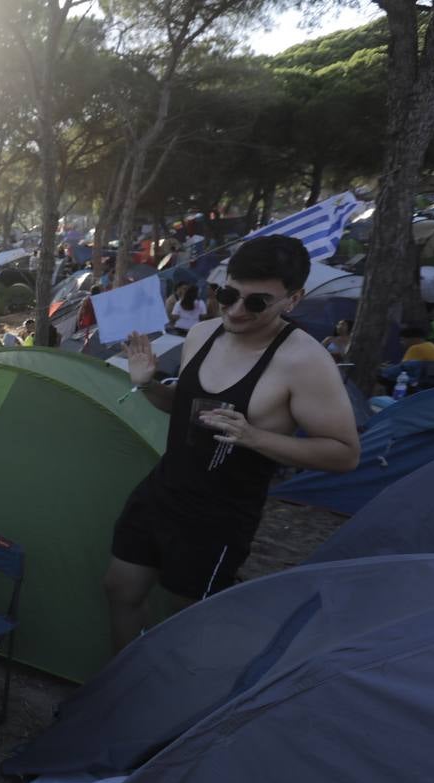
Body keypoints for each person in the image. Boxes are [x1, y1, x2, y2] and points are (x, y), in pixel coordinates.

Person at [106, 235, 360, 653]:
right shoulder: (202, 334)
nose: (237, 311)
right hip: (164, 489)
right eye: (228, 295)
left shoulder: (304, 361)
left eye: (257, 303)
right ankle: (121, 688)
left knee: (187, 623)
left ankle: (171, 708)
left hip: (219, 515)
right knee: (119, 589)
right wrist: (148, 384)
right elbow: (187, 408)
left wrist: (255, 436)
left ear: (292, 301)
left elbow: (345, 453)